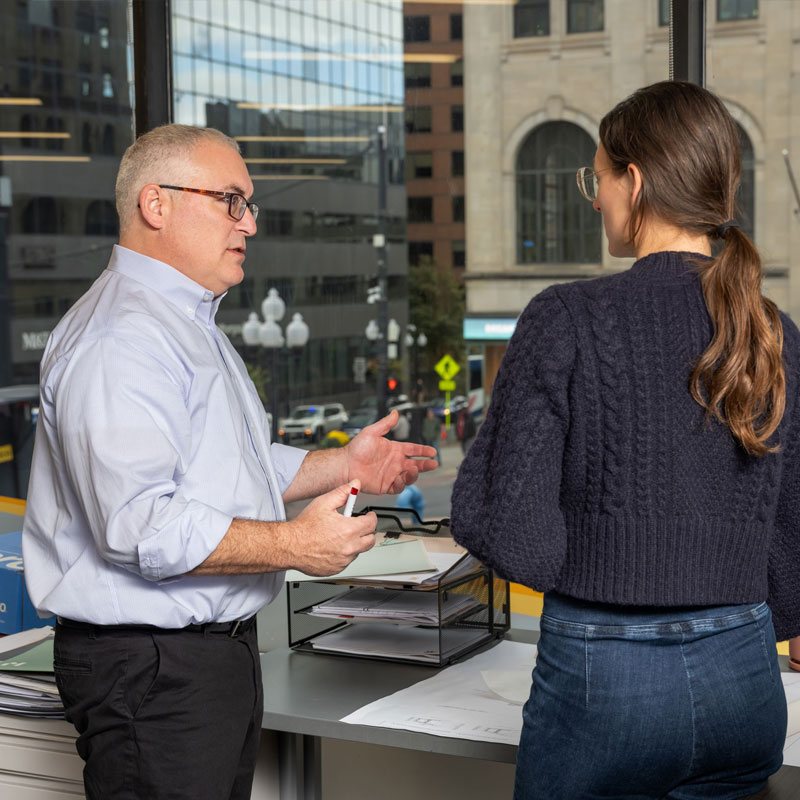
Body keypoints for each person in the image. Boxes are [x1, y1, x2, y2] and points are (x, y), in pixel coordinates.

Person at [21, 124, 438, 800]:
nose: (249, 223)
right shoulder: (122, 338)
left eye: (249, 205)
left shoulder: (183, 323)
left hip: (201, 661)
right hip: (154, 669)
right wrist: (294, 544)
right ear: (156, 205)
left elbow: (228, 472)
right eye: (231, 201)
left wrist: (343, 464)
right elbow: (142, 526)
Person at [451, 81, 800, 799]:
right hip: (745, 677)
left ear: (633, 182)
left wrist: (583, 569)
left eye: (599, 177)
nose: (594, 196)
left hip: (604, 683)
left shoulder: (567, 318)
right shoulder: (775, 331)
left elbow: (511, 529)